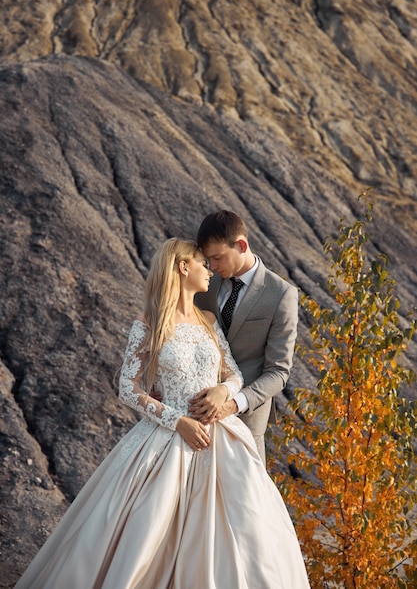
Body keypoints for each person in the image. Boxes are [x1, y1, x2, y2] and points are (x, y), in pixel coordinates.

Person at [15, 238, 309, 589]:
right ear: (183, 267)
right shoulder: (149, 323)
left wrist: (223, 391)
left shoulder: (209, 319)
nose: (210, 271)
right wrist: (177, 421)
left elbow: (234, 373)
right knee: (148, 528)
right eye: (203, 263)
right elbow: (128, 386)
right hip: (168, 437)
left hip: (223, 436)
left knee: (249, 531)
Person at [192, 210, 298, 464]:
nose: (213, 267)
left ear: (241, 245)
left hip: (246, 421)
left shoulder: (281, 294)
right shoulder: (205, 287)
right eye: (208, 260)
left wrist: (231, 405)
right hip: (196, 418)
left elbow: (278, 372)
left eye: (217, 258)